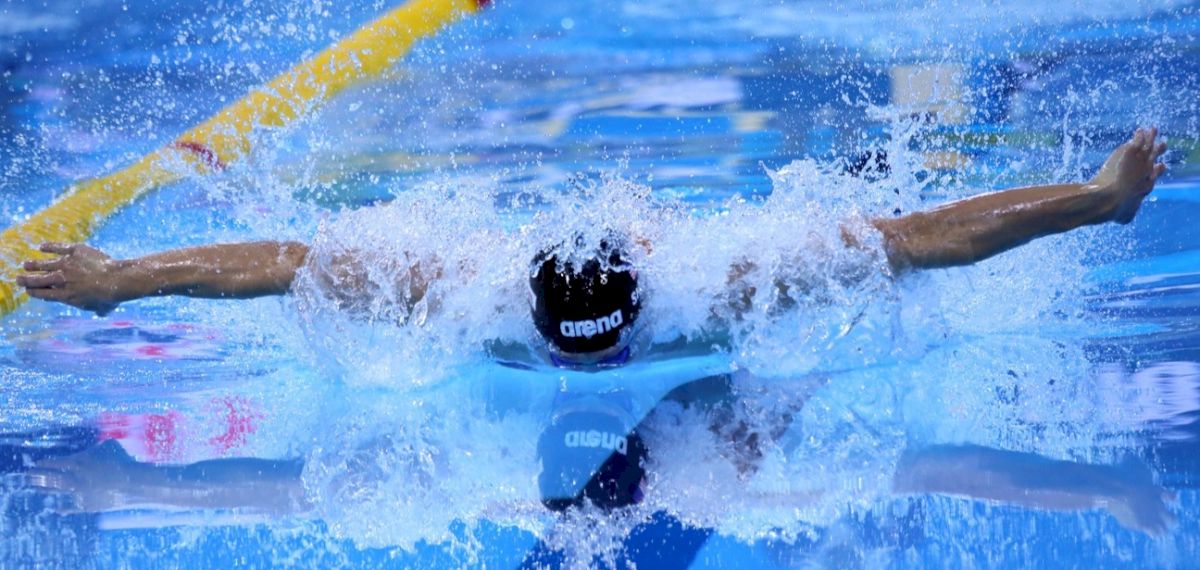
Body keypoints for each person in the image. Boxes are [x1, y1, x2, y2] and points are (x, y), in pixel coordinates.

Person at [15, 128, 1168, 368]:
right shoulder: (475, 294)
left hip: (681, 298)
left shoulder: (714, 282)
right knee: (880, 246)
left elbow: (934, 235)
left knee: (874, 247)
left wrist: (1097, 201)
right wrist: (118, 283)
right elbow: (282, 260)